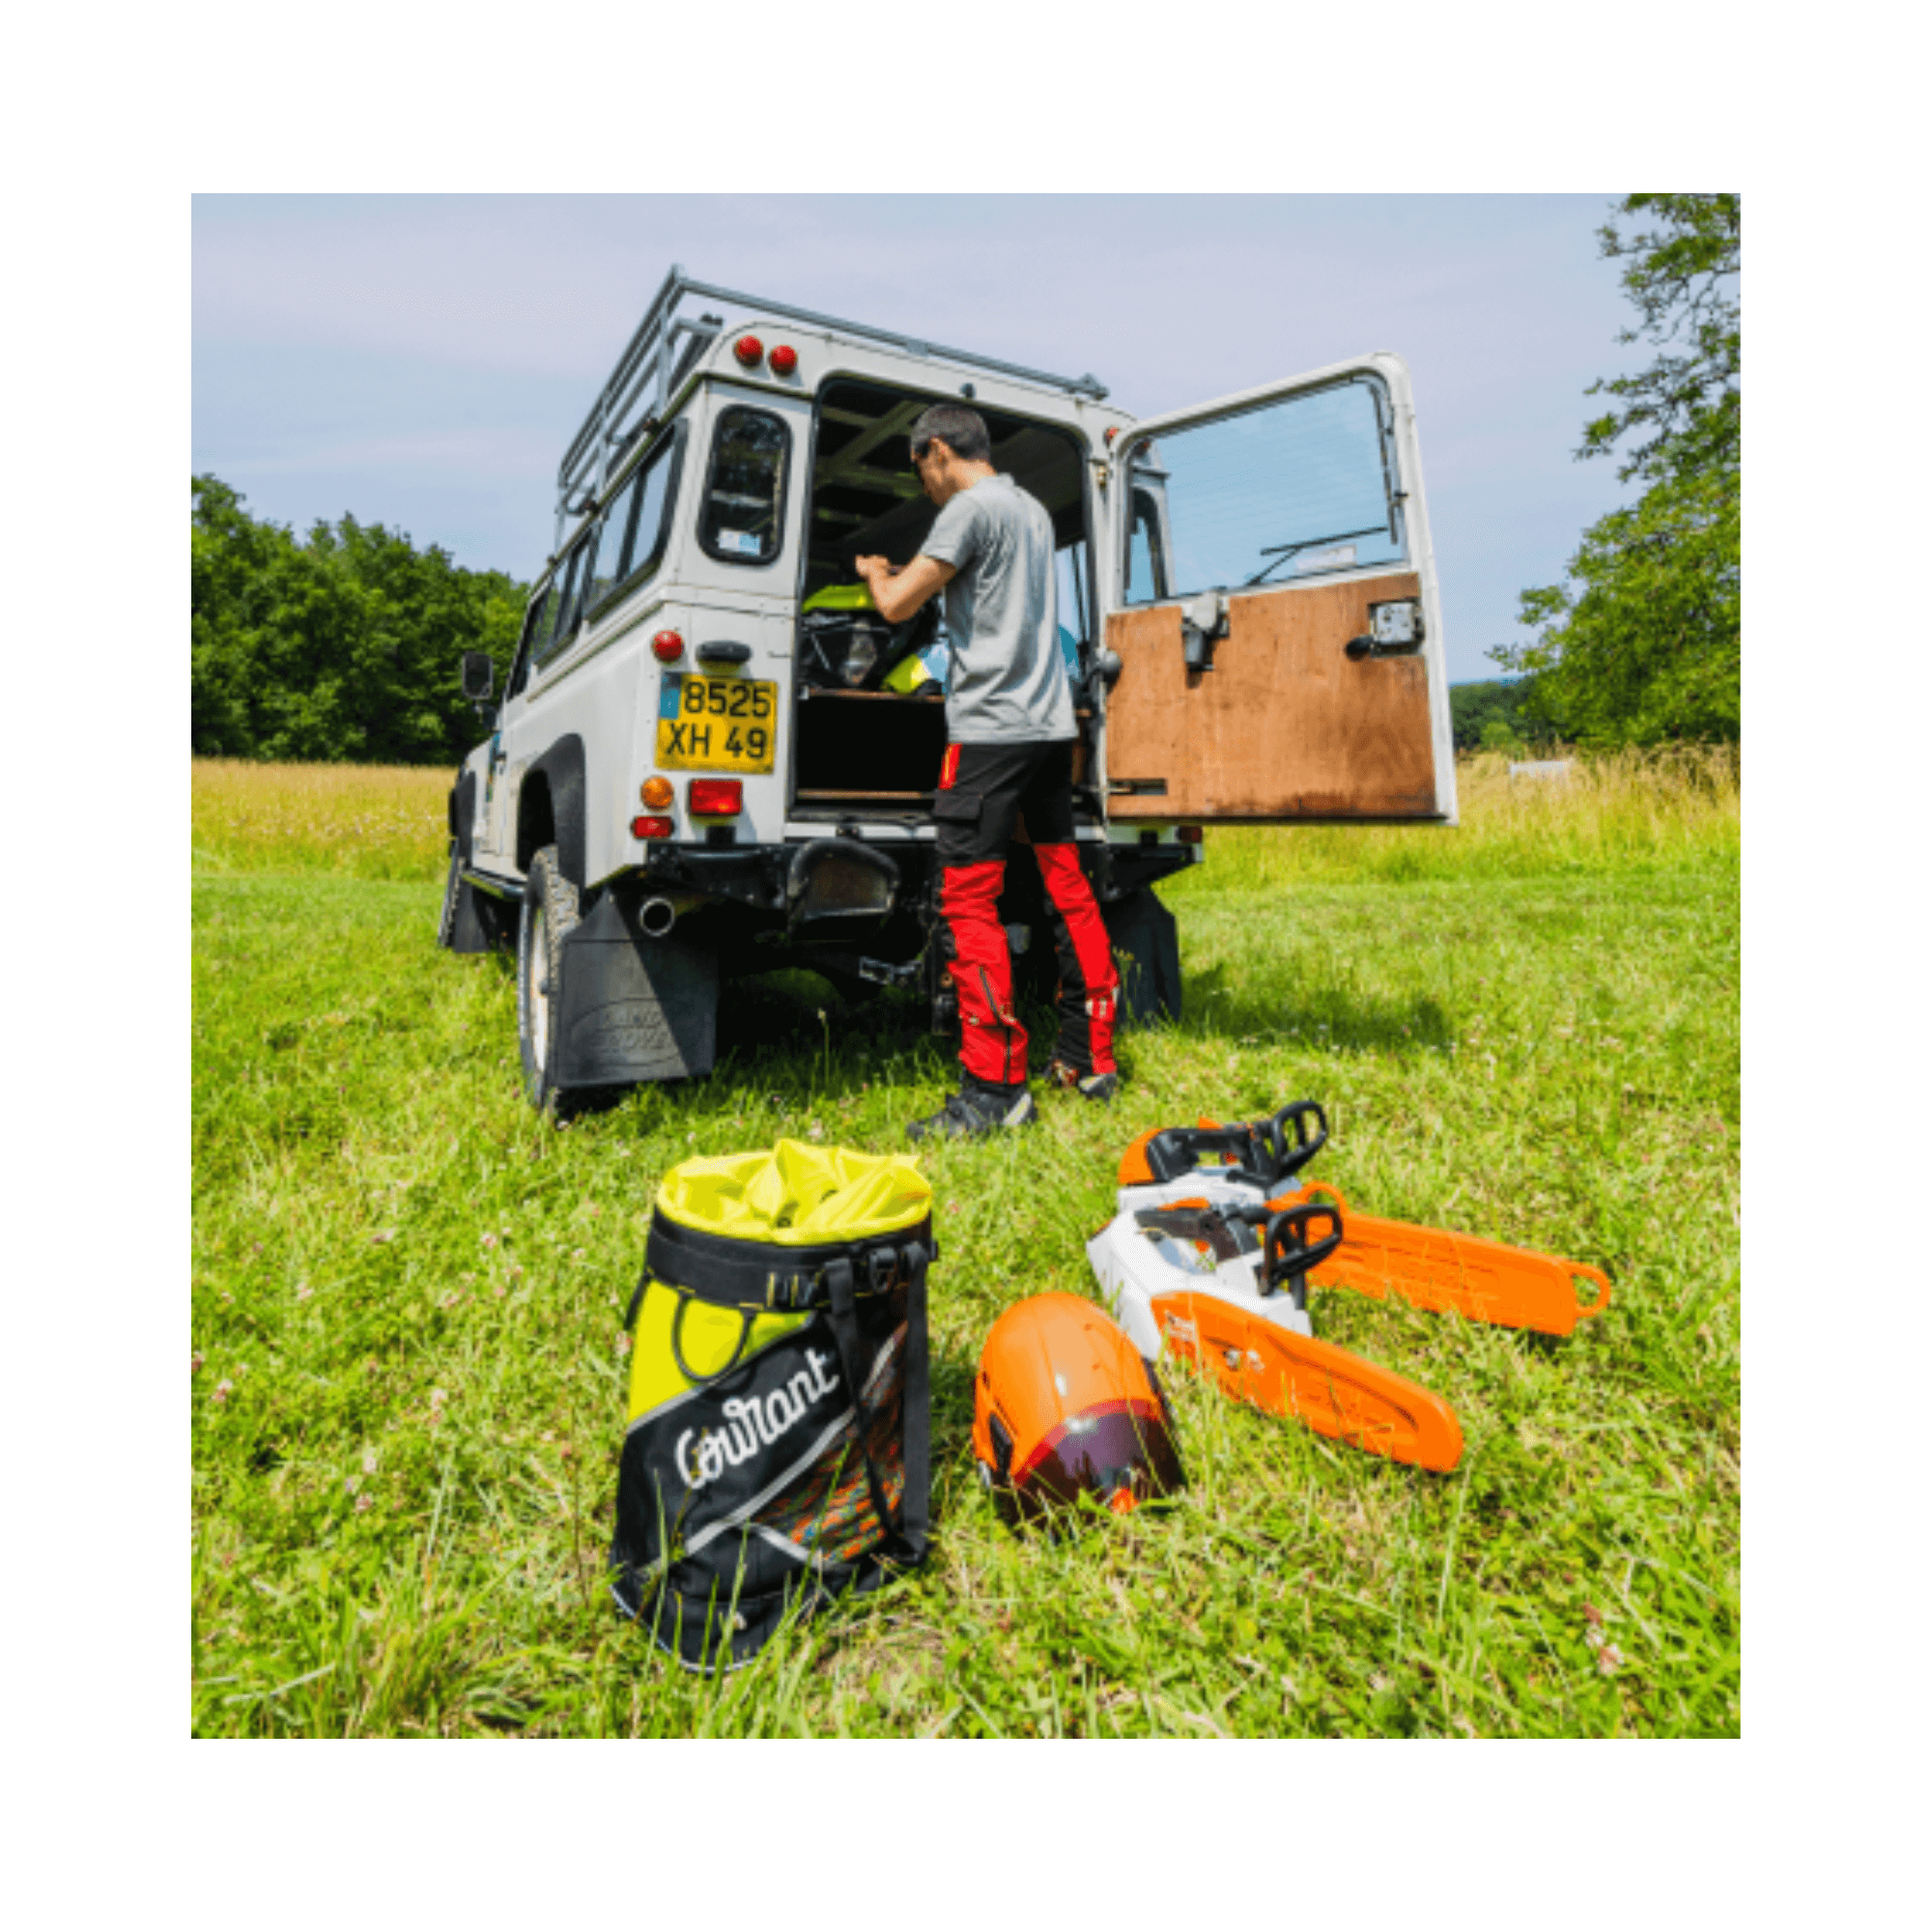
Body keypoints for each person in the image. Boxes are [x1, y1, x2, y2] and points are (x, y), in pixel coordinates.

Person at [854, 404, 1121, 1143]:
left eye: (922, 471)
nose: (926, 486)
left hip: (990, 734)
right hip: (1048, 729)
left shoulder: (969, 510)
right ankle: (1090, 1057)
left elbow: (898, 605)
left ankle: (996, 1088)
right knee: (1067, 886)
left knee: (968, 901)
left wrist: (877, 572)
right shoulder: (1030, 510)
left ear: (938, 449)